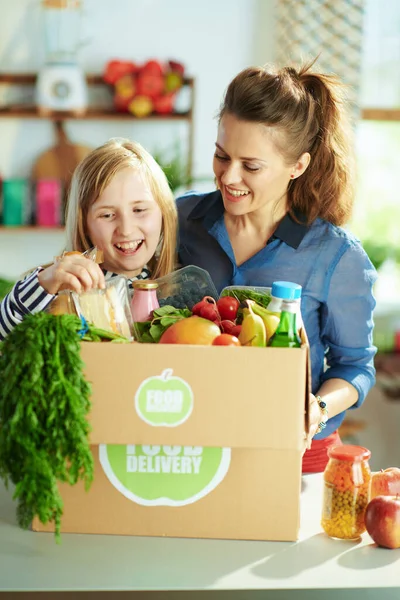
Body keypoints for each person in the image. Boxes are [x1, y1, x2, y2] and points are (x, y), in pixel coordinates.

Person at [176, 62, 377, 473]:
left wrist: (317, 408)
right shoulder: (179, 221)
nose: (229, 177)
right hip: (191, 440)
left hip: (297, 455)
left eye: (251, 166)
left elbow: (355, 367)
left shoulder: (337, 258)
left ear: (297, 166)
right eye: (221, 156)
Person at [0, 138, 177, 340]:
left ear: (164, 213)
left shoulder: (181, 293)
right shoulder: (55, 290)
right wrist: (45, 282)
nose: (126, 230)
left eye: (139, 210)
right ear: (84, 224)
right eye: (107, 215)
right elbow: (4, 335)